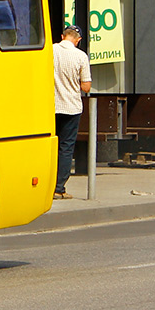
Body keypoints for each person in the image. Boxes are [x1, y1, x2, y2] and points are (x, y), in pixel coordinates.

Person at [53, 24, 92, 199]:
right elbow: (86, 86)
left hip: (51, 106)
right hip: (71, 107)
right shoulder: (81, 56)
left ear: (63, 36)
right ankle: (59, 188)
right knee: (66, 148)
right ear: (78, 40)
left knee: (50, 145)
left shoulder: (51, 51)